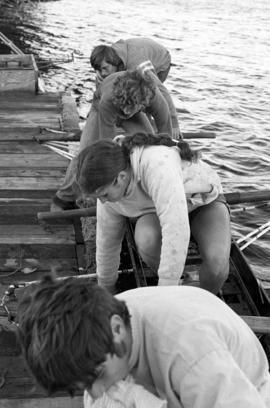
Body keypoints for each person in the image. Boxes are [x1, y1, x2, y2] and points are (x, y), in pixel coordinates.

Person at [17, 277, 270, 407]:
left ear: (117, 328)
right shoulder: (98, 325)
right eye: (79, 387)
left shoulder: (192, 354)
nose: (95, 393)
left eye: (96, 377)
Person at [76, 132, 231, 294]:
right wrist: (106, 289)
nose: (102, 202)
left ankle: (206, 299)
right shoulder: (108, 186)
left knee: (217, 265)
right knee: (146, 239)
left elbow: (176, 230)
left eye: (104, 195)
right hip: (156, 210)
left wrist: (165, 293)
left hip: (202, 201)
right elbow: (107, 243)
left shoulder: (157, 166)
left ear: (121, 177)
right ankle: (181, 281)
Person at [52, 69, 178, 211]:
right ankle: (64, 197)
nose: (124, 113)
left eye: (128, 108)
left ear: (144, 103)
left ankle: (145, 191)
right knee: (87, 153)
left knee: (149, 148)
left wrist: (172, 156)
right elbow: (107, 147)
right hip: (101, 108)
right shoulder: (108, 100)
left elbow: (166, 136)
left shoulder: (155, 99)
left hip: (135, 113)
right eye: (123, 108)